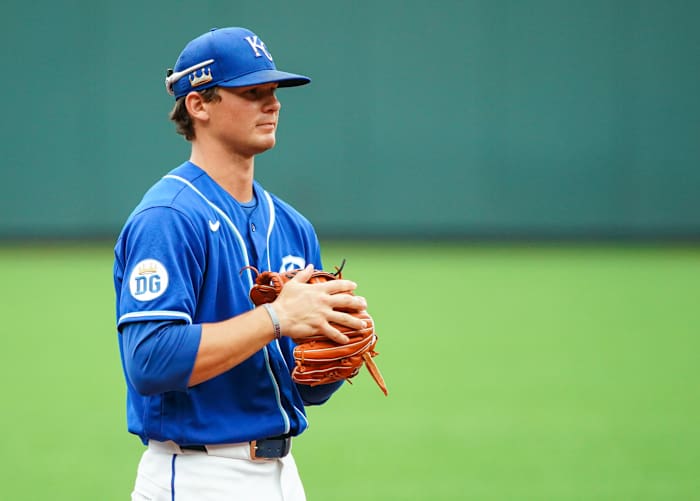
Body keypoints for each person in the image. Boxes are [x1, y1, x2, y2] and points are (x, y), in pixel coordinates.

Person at [113, 26, 368, 501]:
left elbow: (302, 385)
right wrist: (276, 318)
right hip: (194, 474)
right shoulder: (168, 217)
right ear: (199, 105)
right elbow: (149, 360)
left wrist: (334, 350)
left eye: (273, 92)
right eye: (252, 93)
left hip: (283, 473)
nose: (272, 104)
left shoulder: (293, 226)